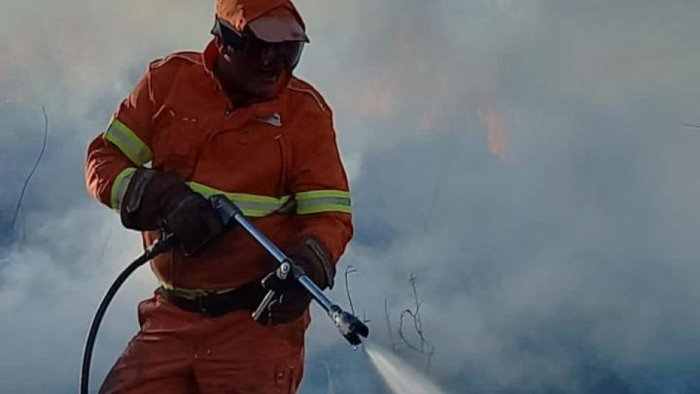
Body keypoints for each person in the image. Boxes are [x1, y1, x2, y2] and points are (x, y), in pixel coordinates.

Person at [84, 0, 353, 392]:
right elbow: (103, 160)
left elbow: (330, 218)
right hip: (172, 317)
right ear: (224, 41)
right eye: (260, 47)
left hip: (256, 328)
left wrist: (307, 264)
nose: (272, 61)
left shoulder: (305, 115)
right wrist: (161, 198)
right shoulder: (168, 83)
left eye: (287, 50)